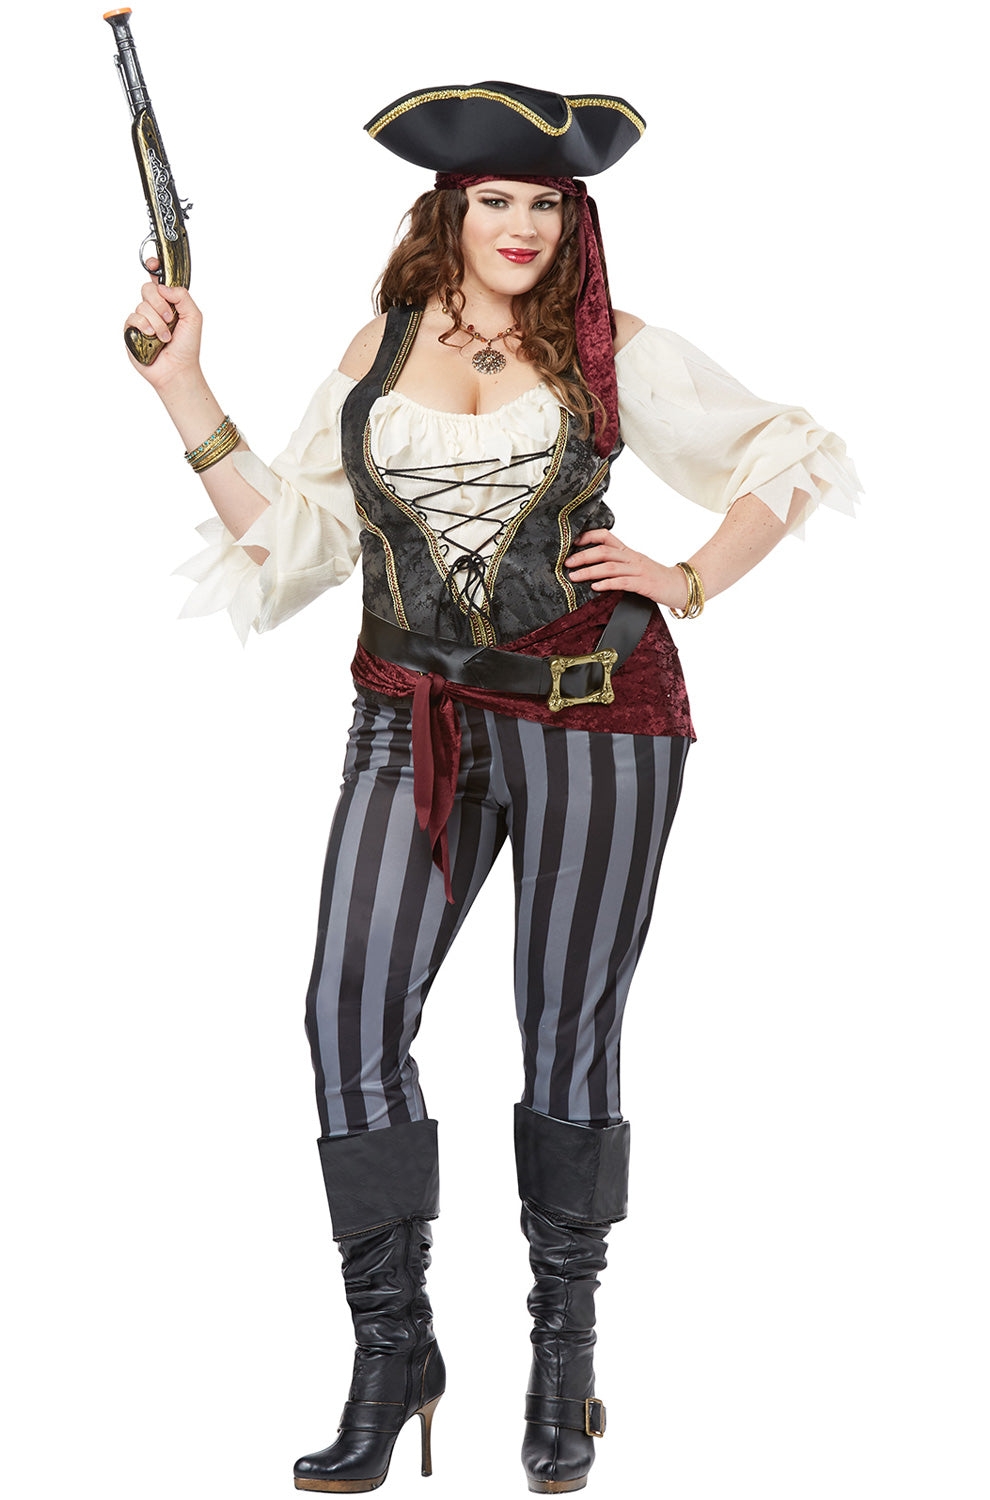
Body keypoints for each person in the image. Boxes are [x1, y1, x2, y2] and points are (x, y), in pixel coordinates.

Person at [124, 83, 862, 1495]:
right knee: (347, 1011)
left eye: (544, 203)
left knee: (566, 1028)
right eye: (494, 201)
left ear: (570, 219)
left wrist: (687, 576)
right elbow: (296, 543)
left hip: (596, 714)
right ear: (447, 213)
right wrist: (182, 390)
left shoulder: (610, 348)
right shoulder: (381, 348)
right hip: (412, 714)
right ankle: (393, 1353)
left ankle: (561, 1365)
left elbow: (786, 450)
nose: (521, 225)